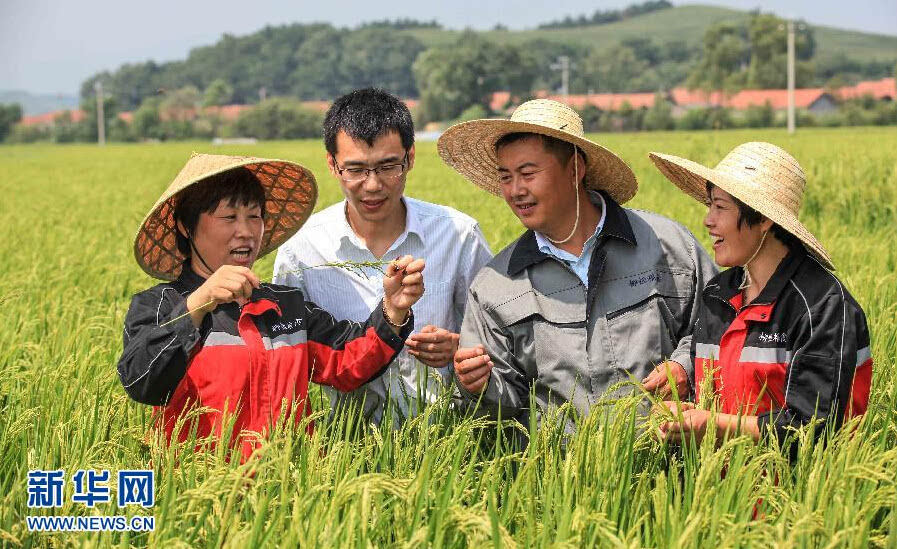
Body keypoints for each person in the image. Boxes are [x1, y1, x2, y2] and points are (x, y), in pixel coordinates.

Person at [118, 153, 425, 459]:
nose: (247, 231)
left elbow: (347, 362)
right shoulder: (159, 306)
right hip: (197, 491)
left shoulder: (284, 306)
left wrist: (393, 311)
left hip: (287, 492)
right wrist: (196, 306)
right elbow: (142, 382)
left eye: (254, 216)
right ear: (186, 226)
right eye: (229, 217)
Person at [437, 99, 718, 427]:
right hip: (561, 473)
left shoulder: (667, 246)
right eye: (506, 177)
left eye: (528, 173)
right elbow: (499, 415)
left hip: (671, 465)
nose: (515, 191)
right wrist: (477, 386)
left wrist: (685, 364)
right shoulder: (496, 286)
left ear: (574, 169)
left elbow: (723, 327)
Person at [273, 88, 492, 425]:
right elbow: (285, 358)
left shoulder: (457, 235)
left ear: (410, 158)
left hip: (447, 438)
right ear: (332, 164)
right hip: (346, 446)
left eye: (388, 166)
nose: (373, 185)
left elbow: (498, 336)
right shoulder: (301, 251)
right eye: (356, 169)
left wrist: (459, 347)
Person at [648, 142, 872, 454]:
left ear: (764, 219)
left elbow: (812, 428)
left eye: (720, 207)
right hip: (716, 495)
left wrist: (709, 425)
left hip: (797, 499)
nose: (708, 220)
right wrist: (681, 410)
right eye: (709, 206)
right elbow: (714, 400)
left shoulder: (822, 307)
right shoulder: (718, 294)